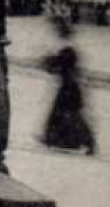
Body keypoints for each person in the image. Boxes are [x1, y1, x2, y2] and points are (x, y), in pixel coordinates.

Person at [41, 16, 96, 155]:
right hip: (70, 86)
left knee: (69, 115)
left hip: (69, 87)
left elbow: (57, 65)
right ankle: (61, 140)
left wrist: (47, 61)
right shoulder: (68, 47)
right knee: (69, 114)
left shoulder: (66, 49)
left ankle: (85, 141)